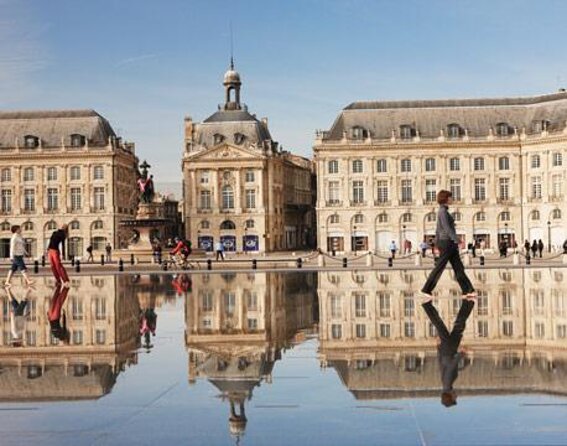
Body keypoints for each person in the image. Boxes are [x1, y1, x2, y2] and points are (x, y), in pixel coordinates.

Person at [422, 293, 476, 407]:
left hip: (449, 349)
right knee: (457, 326)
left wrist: (461, 354)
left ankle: (427, 306)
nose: (457, 396)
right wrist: (438, 347)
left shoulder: (447, 383)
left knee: (443, 325)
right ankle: (468, 303)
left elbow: (451, 366)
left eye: (455, 398)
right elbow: (440, 364)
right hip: (447, 349)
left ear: (450, 397)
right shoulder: (446, 385)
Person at [421, 190, 476, 299]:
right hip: (446, 242)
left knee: (458, 267)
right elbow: (446, 228)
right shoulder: (442, 212)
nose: (452, 199)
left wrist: (437, 241)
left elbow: (438, 229)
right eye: (450, 197)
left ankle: (468, 290)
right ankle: (426, 289)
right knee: (439, 267)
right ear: (446, 198)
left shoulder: (443, 211)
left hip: (448, 243)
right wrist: (458, 240)